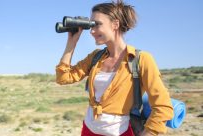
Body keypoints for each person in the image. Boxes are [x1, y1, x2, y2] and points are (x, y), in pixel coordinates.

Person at [55, 1, 174, 136]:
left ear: (115, 24)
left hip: (120, 131)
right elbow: (63, 78)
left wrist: (149, 132)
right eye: (91, 25)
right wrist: (71, 43)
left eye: (97, 24)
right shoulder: (96, 57)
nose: (92, 31)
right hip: (89, 129)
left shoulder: (141, 59)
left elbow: (163, 106)